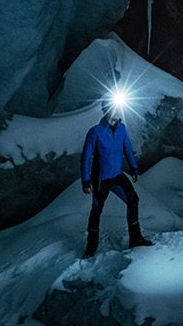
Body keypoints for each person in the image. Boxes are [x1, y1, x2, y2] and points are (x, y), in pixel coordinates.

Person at [80, 99, 153, 257]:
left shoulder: (122, 128)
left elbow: (127, 148)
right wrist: (86, 180)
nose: (118, 112)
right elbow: (85, 157)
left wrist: (134, 168)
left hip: (117, 176)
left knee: (133, 200)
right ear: (106, 111)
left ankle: (136, 239)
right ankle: (91, 247)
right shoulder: (95, 132)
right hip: (100, 179)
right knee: (97, 210)